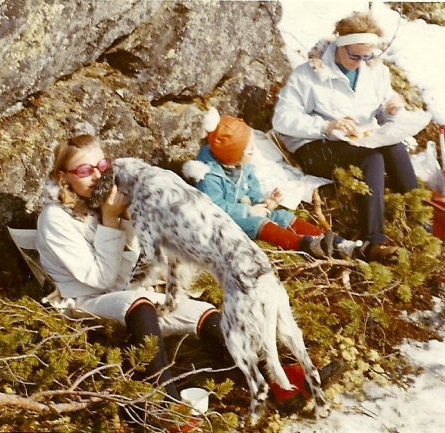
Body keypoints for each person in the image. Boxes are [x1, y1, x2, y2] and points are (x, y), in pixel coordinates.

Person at [36, 134, 345, 416]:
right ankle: (167, 408)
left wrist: (126, 219)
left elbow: (137, 257)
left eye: (102, 165)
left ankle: (283, 381)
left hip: (125, 288)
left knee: (205, 314)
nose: (97, 175)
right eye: (83, 170)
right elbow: (100, 280)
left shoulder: (109, 199)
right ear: (63, 177)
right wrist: (110, 219)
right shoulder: (55, 218)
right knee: (139, 305)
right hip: (85, 299)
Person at [272, 12, 419, 264]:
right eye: (354, 56)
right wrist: (326, 126)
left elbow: (381, 110)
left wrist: (391, 110)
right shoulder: (309, 75)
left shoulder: (374, 69)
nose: (360, 62)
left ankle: (420, 219)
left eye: (366, 56)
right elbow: (282, 118)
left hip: (358, 139)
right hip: (315, 146)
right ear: (340, 45)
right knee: (371, 159)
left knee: (394, 147)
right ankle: (374, 240)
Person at [183, 108, 366, 260]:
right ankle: (305, 244)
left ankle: (337, 243)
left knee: (281, 216)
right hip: (223, 223)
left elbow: (252, 186)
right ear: (233, 155)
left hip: (245, 211)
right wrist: (249, 211)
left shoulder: (242, 165)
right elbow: (215, 207)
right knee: (257, 222)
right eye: (250, 150)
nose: (254, 152)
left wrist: (264, 203)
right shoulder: (209, 175)